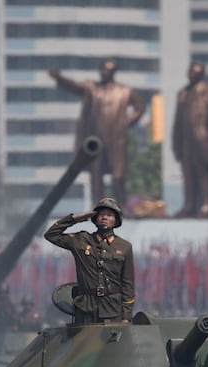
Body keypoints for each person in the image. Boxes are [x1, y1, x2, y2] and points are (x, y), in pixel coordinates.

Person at [48, 59, 146, 208]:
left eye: (109, 70)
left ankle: (123, 207)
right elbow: (74, 86)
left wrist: (128, 121)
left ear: (114, 72)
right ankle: (98, 207)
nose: (105, 72)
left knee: (118, 175)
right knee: (96, 175)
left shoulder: (125, 91)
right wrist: (59, 78)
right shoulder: (92, 88)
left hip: (116, 138)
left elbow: (140, 106)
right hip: (96, 138)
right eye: (103, 69)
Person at [44, 197, 135, 324]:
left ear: (116, 220)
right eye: (101, 215)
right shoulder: (81, 239)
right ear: (95, 218)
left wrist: (127, 316)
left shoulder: (124, 247)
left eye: (109, 215)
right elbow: (51, 235)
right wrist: (75, 218)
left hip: (112, 308)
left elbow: (128, 284)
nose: (104, 218)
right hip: (86, 308)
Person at [171, 61, 208, 218]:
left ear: (202, 74)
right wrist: (176, 142)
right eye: (190, 71)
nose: (192, 74)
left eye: (196, 72)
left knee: (203, 172)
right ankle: (189, 205)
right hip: (185, 140)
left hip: (202, 138)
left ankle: (207, 204)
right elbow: (178, 120)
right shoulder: (183, 92)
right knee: (188, 173)